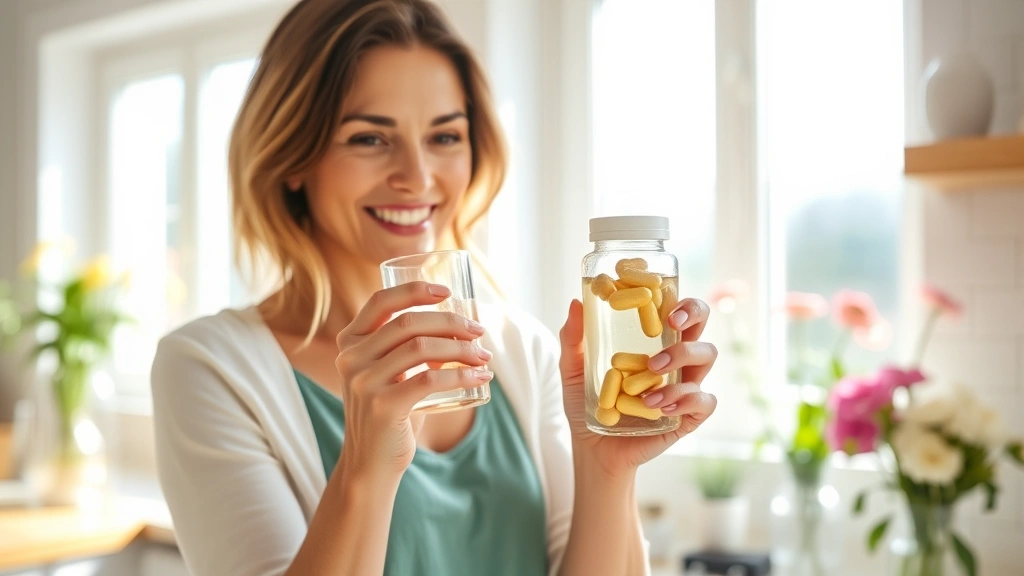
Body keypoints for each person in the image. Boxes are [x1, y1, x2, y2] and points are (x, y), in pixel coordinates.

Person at [151, 1, 719, 575]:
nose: (417, 178)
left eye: (445, 136)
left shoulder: (523, 350)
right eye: (369, 139)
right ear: (293, 157)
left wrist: (608, 470)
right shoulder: (210, 369)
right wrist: (365, 469)